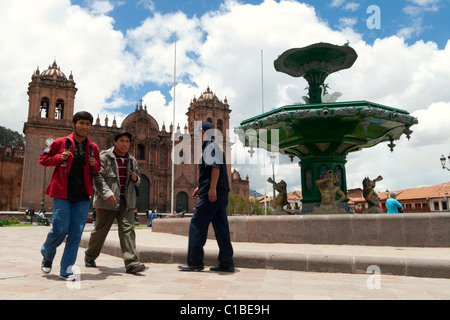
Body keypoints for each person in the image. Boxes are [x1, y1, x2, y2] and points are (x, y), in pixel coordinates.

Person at [39, 111, 100, 280]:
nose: (84, 126)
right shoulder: (61, 143)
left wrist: (94, 165)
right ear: (73, 124)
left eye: (87, 124)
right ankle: (47, 253)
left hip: (82, 194)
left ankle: (66, 270)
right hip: (63, 192)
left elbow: (97, 169)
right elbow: (43, 159)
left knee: (76, 233)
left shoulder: (93, 148)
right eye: (81, 123)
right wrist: (59, 157)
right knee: (59, 229)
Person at [84, 130, 146, 274]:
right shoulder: (105, 157)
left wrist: (136, 179)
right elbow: (97, 177)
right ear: (115, 142)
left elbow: (139, 181)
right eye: (122, 141)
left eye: (127, 142)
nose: (124, 144)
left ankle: (131, 263)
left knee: (128, 230)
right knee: (101, 230)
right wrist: (107, 193)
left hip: (127, 201)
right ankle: (90, 255)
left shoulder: (132, 160)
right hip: (108, 201)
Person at [178, 121, 234, 272]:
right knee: (221, 228)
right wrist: (200, 187)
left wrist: (212, 189)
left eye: (198, 132)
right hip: (218, 192)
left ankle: (195, 262)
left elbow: (215, 168)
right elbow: (211, 171)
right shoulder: (213, 145)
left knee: (197, 224)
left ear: (203, 132)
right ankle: (227, 262)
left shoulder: (210, 146)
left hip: (213, 194)